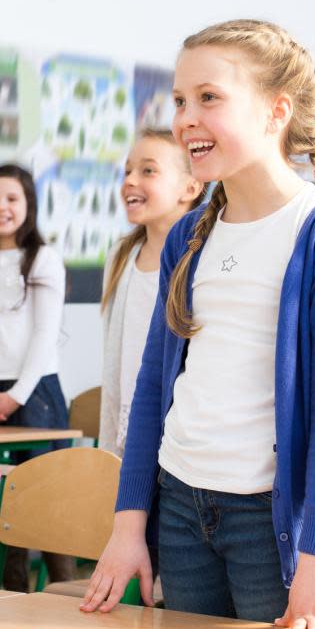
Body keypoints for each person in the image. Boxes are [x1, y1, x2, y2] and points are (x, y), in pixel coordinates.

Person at [81, 19, 315, 629]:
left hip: (267, 520)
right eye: (181, 100)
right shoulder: (189, 236)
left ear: (276, 111)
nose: (187, 117)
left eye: (209, 98)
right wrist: (128, 525)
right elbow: (155, 386)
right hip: (182, 507)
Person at [0, 163, 76, 592]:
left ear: (28, 205)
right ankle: (10, 598)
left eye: (11, 199)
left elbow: (45, 335)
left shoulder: (43, 259)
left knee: (46, 502)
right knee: (4, 506)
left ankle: (65, 594)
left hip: (36, 393)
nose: (1, 208)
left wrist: (17, 397)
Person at [99, 128, 203, 456]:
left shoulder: (201, 257)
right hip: (125, 440)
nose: (130, 180)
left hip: (180, 442)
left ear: (191, 186)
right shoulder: (120, 257)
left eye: (148, 170)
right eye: (127, 170)